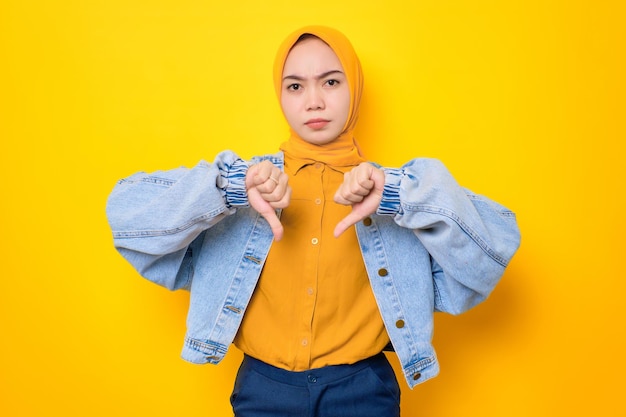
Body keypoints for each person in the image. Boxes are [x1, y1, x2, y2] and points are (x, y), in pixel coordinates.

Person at [106, 25, 521, 417]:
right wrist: (230, 187)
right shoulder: (249, 184)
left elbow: (493, 251)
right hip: (262, 387)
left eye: (331, 82)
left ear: (353, 88)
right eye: (295, 86)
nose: (314, 101)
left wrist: (397, 193)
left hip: (363, 388)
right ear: (280, 95)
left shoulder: (393, 190)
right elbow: (125, 215)